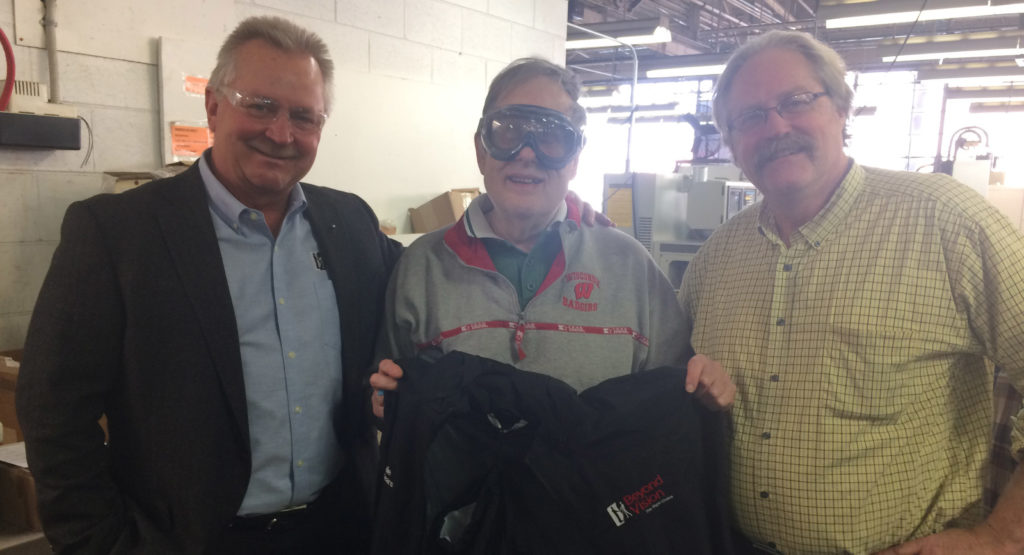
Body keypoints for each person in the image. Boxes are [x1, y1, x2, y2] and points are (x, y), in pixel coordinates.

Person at [16, 16, 403, 554]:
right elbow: (52, 412)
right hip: (187, 539)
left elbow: (419, 299)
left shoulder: (351, 224)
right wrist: (98, 542)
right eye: (261, 105)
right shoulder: (117, 235)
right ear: (215, 106)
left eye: (304, 116)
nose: (281, 133)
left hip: (339, 528)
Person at [677, 29, 1024, 554]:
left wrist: (1001, 536)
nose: (774, 126)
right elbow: (675, 384)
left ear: (842, 108)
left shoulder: (949, 222)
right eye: (748, 117)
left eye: (795, 101)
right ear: (731, 142)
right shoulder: (715, 259)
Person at [370, 57, 735, 411]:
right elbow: (387, 391)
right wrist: (384, 402)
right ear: (481, 150)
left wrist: (704, 386)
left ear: (574, 159)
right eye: (508, 132)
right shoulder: (421, 267)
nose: (527, 154)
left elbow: (672, 397)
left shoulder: (631, 267)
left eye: (551, 138)